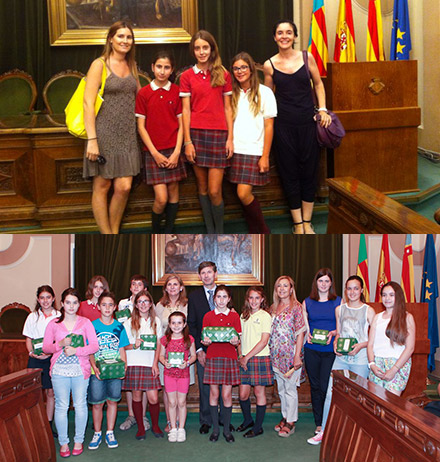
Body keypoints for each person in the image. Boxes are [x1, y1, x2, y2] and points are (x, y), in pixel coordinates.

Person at [263, 20, 331, 234]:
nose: (284, 36)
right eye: (280, 32)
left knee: (309, 171)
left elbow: (318, 84)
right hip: (283, 127)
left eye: (288, 32)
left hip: (308, 124)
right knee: (289, 172)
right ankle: (298, 223)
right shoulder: (269, 65)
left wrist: (323, 109)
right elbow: (267, 97)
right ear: (274, 37)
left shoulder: (306, 57)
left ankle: (308, 221)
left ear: (294, 36)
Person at [83, 21, 141, 234]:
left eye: (129, 37)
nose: (125, 41)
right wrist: (92, 140)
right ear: (110, 39)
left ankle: (114, 231)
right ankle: (107, 234)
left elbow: (140, 98)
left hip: (128, 134)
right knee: (102, 186)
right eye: (120, 36)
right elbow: (88, 102)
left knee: (124, 187)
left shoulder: (132, 64)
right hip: (104, 134)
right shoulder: (99, 64)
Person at [309, 276, 375, 445]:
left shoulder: (368, 310)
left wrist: (360, 346)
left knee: (358, 395)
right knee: (331, 393)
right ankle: (323, 430)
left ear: (361, 290)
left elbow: (374, 338)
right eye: (349, 288)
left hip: (359, 359)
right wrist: (336, 345)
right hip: (341, 358)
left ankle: (357, 434)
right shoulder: (339, 309)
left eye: (355, 288)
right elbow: (339, 333)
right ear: (345, 290)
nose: (352, 292)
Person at [180, 30, 234, 233]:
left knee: (214, 190)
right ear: (193, 51)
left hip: (219, 136)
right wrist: (187, 141)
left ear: (212, 49)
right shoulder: (186, 76)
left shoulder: (223, 74)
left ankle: (219, 232)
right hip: (196, 136)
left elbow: (228, 108)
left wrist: (230, 138)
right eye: (197, 48)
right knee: (202, 189)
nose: (201, 52)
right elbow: (185, 110)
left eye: (205, 47)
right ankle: (210, 232)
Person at [43, 288, 99, 458]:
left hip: (80, 370)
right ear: (62, 304)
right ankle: (64, 442)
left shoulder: (85, 322)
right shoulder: (53, 324)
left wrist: (77, 351)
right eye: (68, 302)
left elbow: (94, 346)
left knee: (81, 405)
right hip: (59, 370)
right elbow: (46, 347)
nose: (71, 306)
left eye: (75, 302)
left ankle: (79, 440)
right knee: (62, 406)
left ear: (78, 304)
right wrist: (59, 344)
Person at [136, 51, 186, 233]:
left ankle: (169, 230)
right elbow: (141, 127)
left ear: (172, 69)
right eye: (159, 67)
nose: (162, 71)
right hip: (153, 152)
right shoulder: (144, 93)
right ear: (152, 67)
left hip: (173, 149)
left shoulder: (177, 91)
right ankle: (156, 231)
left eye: (166, 67)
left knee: (173, 193)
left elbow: (182, 125)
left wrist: (176, 153)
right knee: (161, 198)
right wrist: (155, 154)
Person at [228, 52, 277, 234]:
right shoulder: (231, 93)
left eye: (243, 67)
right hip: (234, 149)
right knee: (238, 195)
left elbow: (269, 126)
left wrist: (265, 156)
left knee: (243, 193)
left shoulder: (265, 92)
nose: (240, 71)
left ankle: (263, 230)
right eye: (236, 68)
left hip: (254, 150)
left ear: (251, 69)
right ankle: (253, 230)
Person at [303, 268, 341, 440]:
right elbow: (305, 327)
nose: (324, 284)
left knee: (327, 387)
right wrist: (307, 335)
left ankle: (329, 421)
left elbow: (342, 327)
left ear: (331, 283)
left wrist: (333, 333)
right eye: (320, 281)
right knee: (315, 387)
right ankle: (319, 422)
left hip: (330, 351)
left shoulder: (338, 302)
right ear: (316, 283)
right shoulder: (307, 302)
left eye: (326, 281)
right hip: (312, 350)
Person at [88, 291, 129, 450]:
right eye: (103, 304)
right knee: (97, 403)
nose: (107, 308)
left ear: (115, 307)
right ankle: (97, 433)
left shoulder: (119, 327)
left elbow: (122, 349)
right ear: (98, 307)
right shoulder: (92, 325)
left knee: (112, 401)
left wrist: (123, 366)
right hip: (97, 372)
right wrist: (93, 366)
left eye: (110, 305)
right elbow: (90, 350)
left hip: (115, 371)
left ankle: (110, 432)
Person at [155, 274, 195, 431]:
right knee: (168, 388)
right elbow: (157, 329)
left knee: (181, 392)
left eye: (175, 284)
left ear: (181, 287)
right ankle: (170, 421)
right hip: (166, 351)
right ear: (165, 288)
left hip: (184, 351)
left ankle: (180, 421)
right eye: (169, 284)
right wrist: (160, 355)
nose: (172, 287)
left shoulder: (188, 304)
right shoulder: (159, 306)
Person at [201, 285, 241, 443]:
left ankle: (226, 430)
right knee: (214, 394)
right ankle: (216, 429)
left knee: (226, 395)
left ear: (229, 299)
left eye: (225, 297)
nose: (221, 300)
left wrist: (236, 341)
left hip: (229, 357)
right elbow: (204, 338)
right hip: (213, 356)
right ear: (214, 298)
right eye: (218, 297)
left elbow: (238, 339)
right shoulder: (208, 316)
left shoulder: (234, 316)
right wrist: (205, 342)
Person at [122, 290, 163, 440]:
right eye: (140, 302)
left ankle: (155, 425)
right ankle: (140, 427)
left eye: (146, 301)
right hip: (134, 362)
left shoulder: (156, 321)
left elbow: (159, 344)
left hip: (149, 363)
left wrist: (155, 363)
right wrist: (134, 344)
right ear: (136, 305)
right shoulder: (128, 322)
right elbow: (123, 345)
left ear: (151, 303)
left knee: (153, 398)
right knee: (137, 395)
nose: (143, 304)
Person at [269, 276, 306, 437]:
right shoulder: (273, 308)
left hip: (291, 355)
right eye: (279, 286)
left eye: (286, 286)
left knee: (291, 388)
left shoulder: (296, 307)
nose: (282, 289)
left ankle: (291, 421)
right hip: (276, 355)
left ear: (291, 289)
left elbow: (300, 333)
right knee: (282, 389)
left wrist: (297, 355)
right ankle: (285, 416)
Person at [22, 285, 61, 437]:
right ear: (38, 299)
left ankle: (48, 424)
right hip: (35, 359)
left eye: (48, 297)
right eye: (42, 298)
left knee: (51, 392)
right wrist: (32, 353)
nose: (45, 301)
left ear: (53, 299)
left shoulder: (59, 316)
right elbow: (28, 338)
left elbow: (61, 339)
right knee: (35, 392)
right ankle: (34, 424)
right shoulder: (32, 317)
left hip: (53, 358)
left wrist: (49, 353)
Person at [237, 287, 273, 438]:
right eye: (251, 298)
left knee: (259, 392)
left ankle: (258, 427)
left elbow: (264, 341)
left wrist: (247, 357)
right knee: (243, 394)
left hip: (259, 358)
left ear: (262, 299)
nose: (254, 301)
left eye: (257, 298)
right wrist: (241, 356)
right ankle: (248, 420)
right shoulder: (242, 316)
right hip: (244, 358)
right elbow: (238, 338)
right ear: (247, 299)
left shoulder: (265, 316)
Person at [367, 281, 415, 396]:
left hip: (397, 365)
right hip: (377, 365)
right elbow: (370, 344)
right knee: (375, 404)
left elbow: (410, 348)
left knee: (390, 405)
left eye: (391, 295)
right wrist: (372, 364)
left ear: (398, 297)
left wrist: (394, 369)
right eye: (384, 295)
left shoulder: (407, 317)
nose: (387, 298)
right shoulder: (377, 317)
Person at [187, 261, 217, 434]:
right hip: (203, 350)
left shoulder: (223, 293)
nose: (206, 275)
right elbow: (192, 324)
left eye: (209, 272)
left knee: (221, 385)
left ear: (215, 274)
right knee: (205, 385)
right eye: (203, 273)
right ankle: (206, 420)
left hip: (222, 350)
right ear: (199, 276)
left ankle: (221, 417)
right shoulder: (194, 296)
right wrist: (198, 350)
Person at [118, 274, 151, 433]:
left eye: (140, 284)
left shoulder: (147, 304)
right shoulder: (122, 304)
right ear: (130, 287)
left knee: (142, 387)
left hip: (144, 353)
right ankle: (131, 415)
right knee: (131, 387)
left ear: (145, 289)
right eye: (133, 284)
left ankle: (142, 416)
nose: (136, 287)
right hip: (128, 348)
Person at [159, 312, 196, 442]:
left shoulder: (189, 339)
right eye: (173, 323)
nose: (176, 325)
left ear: (184, 324)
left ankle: (181, 428)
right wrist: (165, 363)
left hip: (183, 375)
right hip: (169, 375)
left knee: (181, 402)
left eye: (179, 322)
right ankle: (173, 427)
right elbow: (161, 356)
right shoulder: (165, 339)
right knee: (172, 402)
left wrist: (187, 363)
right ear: (169, 324)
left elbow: (194, 356)